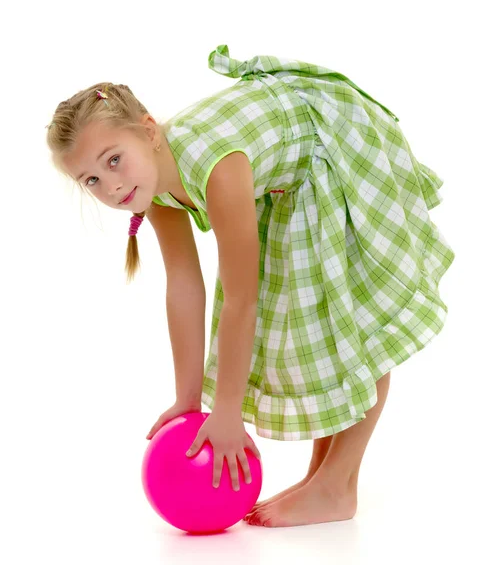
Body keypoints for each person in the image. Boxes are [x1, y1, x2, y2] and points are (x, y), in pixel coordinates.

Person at [45, 44, 455, 528]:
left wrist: (227, 412)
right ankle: (322, 474)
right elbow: (183, 284)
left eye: (114, 160)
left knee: (351, 324)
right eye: (90, 179)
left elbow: (241, 299)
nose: (110, 187)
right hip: (288, 176)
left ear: (150, 131)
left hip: (336, 142)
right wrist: (189, 400)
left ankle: (338, 485)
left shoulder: (217, 168)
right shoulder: (151, 187)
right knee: (317, 325)